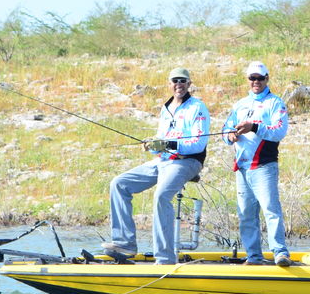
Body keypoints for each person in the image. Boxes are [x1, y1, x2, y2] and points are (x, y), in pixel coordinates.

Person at [104, 67, 210, 264]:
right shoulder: (166, 108)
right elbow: (160, 142)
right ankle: (125, 243)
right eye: (175, 81)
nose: (179, 84)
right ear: (169, 84)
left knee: (161, 196)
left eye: (182, 81)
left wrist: (169, 144)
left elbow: (199, 144)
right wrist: (152, 145)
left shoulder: (198, 107)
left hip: (187, 162)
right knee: (119, 183)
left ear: (189, 84)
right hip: (162, 161)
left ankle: (165, 258)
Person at [222, 61, 292, 267]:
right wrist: (230, 136)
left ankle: (280, 252)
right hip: (242, 167)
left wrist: (254, 127)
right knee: (245, 215)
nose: (256, 82)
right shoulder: (240, 104)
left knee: (271, 210)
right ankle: (253, 257)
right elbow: (225, 129)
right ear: (248, 80)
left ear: (267, 79)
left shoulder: (276, 103)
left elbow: (279, 132)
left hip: (264, 166)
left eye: (260, 78)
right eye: (252, 78)